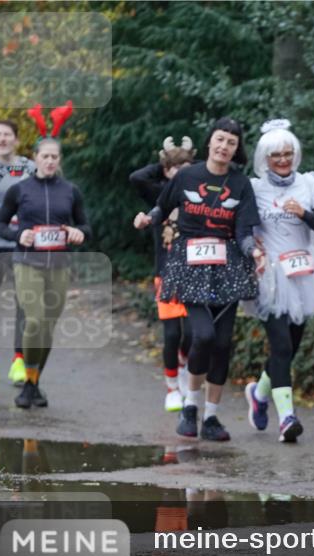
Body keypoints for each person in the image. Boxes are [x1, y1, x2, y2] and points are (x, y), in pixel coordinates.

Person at [134, 117, 265, 442]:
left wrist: (254, 252)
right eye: (220, 140)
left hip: (228, 269)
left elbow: (244, 230)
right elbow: (161, 209)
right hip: (189, 264)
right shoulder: (188, 176)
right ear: (210, 142)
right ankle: (189, 407)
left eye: (231, 143)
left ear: (237, 149)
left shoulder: (241, 183)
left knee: (221, 344)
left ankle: (210, 417)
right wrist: (145, 219)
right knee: (202, 336)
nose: (224, 147)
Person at [243, 119, 314, 443]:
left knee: (290, 348)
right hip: (270, 276)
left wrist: (304, 214)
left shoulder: (309, 184)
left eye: (287, 153)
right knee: (281, 345)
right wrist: (253, 246)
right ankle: (287, 419)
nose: (282, 160)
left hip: (303, 275)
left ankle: (259, 394)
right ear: (264, 158)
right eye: (275, 155)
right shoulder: (254, 188)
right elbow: (245, 227)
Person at [0, 136, 90, 408]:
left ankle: (34, 382)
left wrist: (77, 232)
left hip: (59, 266)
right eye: (44, 156)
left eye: (54, 157)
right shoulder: (19, 190)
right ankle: (29, 382)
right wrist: (18, 234)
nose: (49, 161)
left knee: (47, 327)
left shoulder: (71, 191)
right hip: (27, 263)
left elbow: (85, 227)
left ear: (59, 160)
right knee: (34, 320)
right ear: (35, 157)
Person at [131, 136, 197, 413]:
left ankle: (182, 364)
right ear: (166, 170)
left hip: (197, 273)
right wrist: (164, 163)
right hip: (167, 272)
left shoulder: (200, 193)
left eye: (186, 166)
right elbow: (137, 177)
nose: (180, 172)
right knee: (171, 334)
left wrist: (188, 166)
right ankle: (172, 387)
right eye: (174, 167)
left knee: (194, 334)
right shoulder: (159, 193)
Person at [0, 120, 35, 387]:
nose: (2, 139)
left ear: (15, 139)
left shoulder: (28, 167)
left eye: (7, 134)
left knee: (24, 302)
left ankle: (19, 359)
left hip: (22, 244)